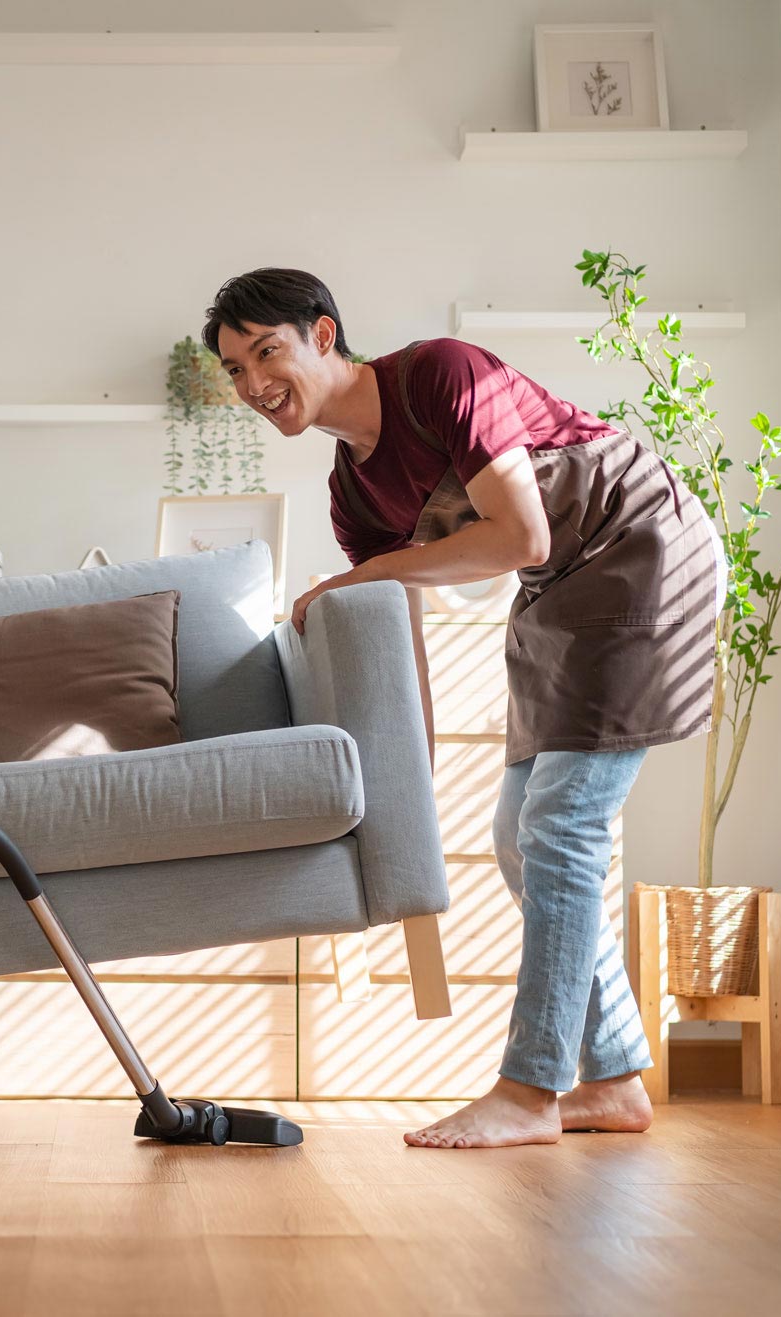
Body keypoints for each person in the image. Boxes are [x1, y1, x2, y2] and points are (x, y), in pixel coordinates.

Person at [203, 269, 718, 1148]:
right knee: (519, 838)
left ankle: (530, 1089)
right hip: (559, 591)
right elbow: (403, 635)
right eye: (235, 370)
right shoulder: (352, 495)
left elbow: (520, 534)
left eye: (266, 352)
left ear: (324, 336)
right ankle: (617, 1075)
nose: (253, 385)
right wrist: (412, 774)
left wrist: (355, 576)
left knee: (560, 828)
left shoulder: (440, 375)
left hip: (639, 546)